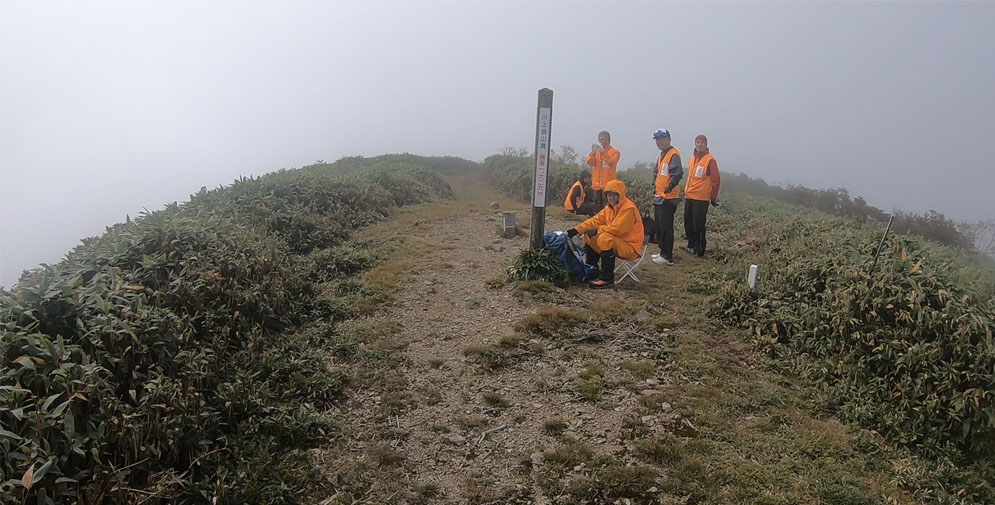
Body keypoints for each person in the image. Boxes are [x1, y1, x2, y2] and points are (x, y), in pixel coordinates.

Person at [567, 179, 644, 288]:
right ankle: (591, 270)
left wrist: (598, 230)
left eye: (614, 195)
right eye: (609, 195)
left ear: (620, 195)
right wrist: (577, 230)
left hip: (631, 248)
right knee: (590, 236)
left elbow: (617, 229)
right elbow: (594, 221)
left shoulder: (628, 209)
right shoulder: (609, 208)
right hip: (619, 243)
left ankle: (607, 278)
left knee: (604, 238)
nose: (611, 198)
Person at [683, 134, 721, 257]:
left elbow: (716, 180)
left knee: (698, 225)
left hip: (701, 198)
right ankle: (691, 245)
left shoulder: (710, 160)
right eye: (697, 142)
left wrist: (713, 197)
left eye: (702, 143)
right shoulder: (692, 159)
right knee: (688, 223)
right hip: (689, 196)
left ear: (706, 145)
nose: (699, 145)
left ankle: (699, 249)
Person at [649, 129, 683, 265]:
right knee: (659, 226)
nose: (659, 142)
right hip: (659, 196)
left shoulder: (673, 155)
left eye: (662, 139)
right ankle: (662, 251)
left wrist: (669, 187)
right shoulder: (662, 155)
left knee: (666, 227)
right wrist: (654, 185)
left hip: (668, 198)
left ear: (669, 139)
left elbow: (677, 173)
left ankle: (667, 256)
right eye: (657, 140)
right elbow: (656, 172)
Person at [585, 130, 621, 211]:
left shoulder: (615, 152)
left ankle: (608, 223)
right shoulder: (597, 153)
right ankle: (598, 223)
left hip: (608, 186)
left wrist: (603, 152)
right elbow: (590, 162)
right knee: (597, 208)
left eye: (605, 139)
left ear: (609, 140)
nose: (603, 141)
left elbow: (611, 162)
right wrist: (593, 153)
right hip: (597, 186)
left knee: (608, 208)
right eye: (601, 139)